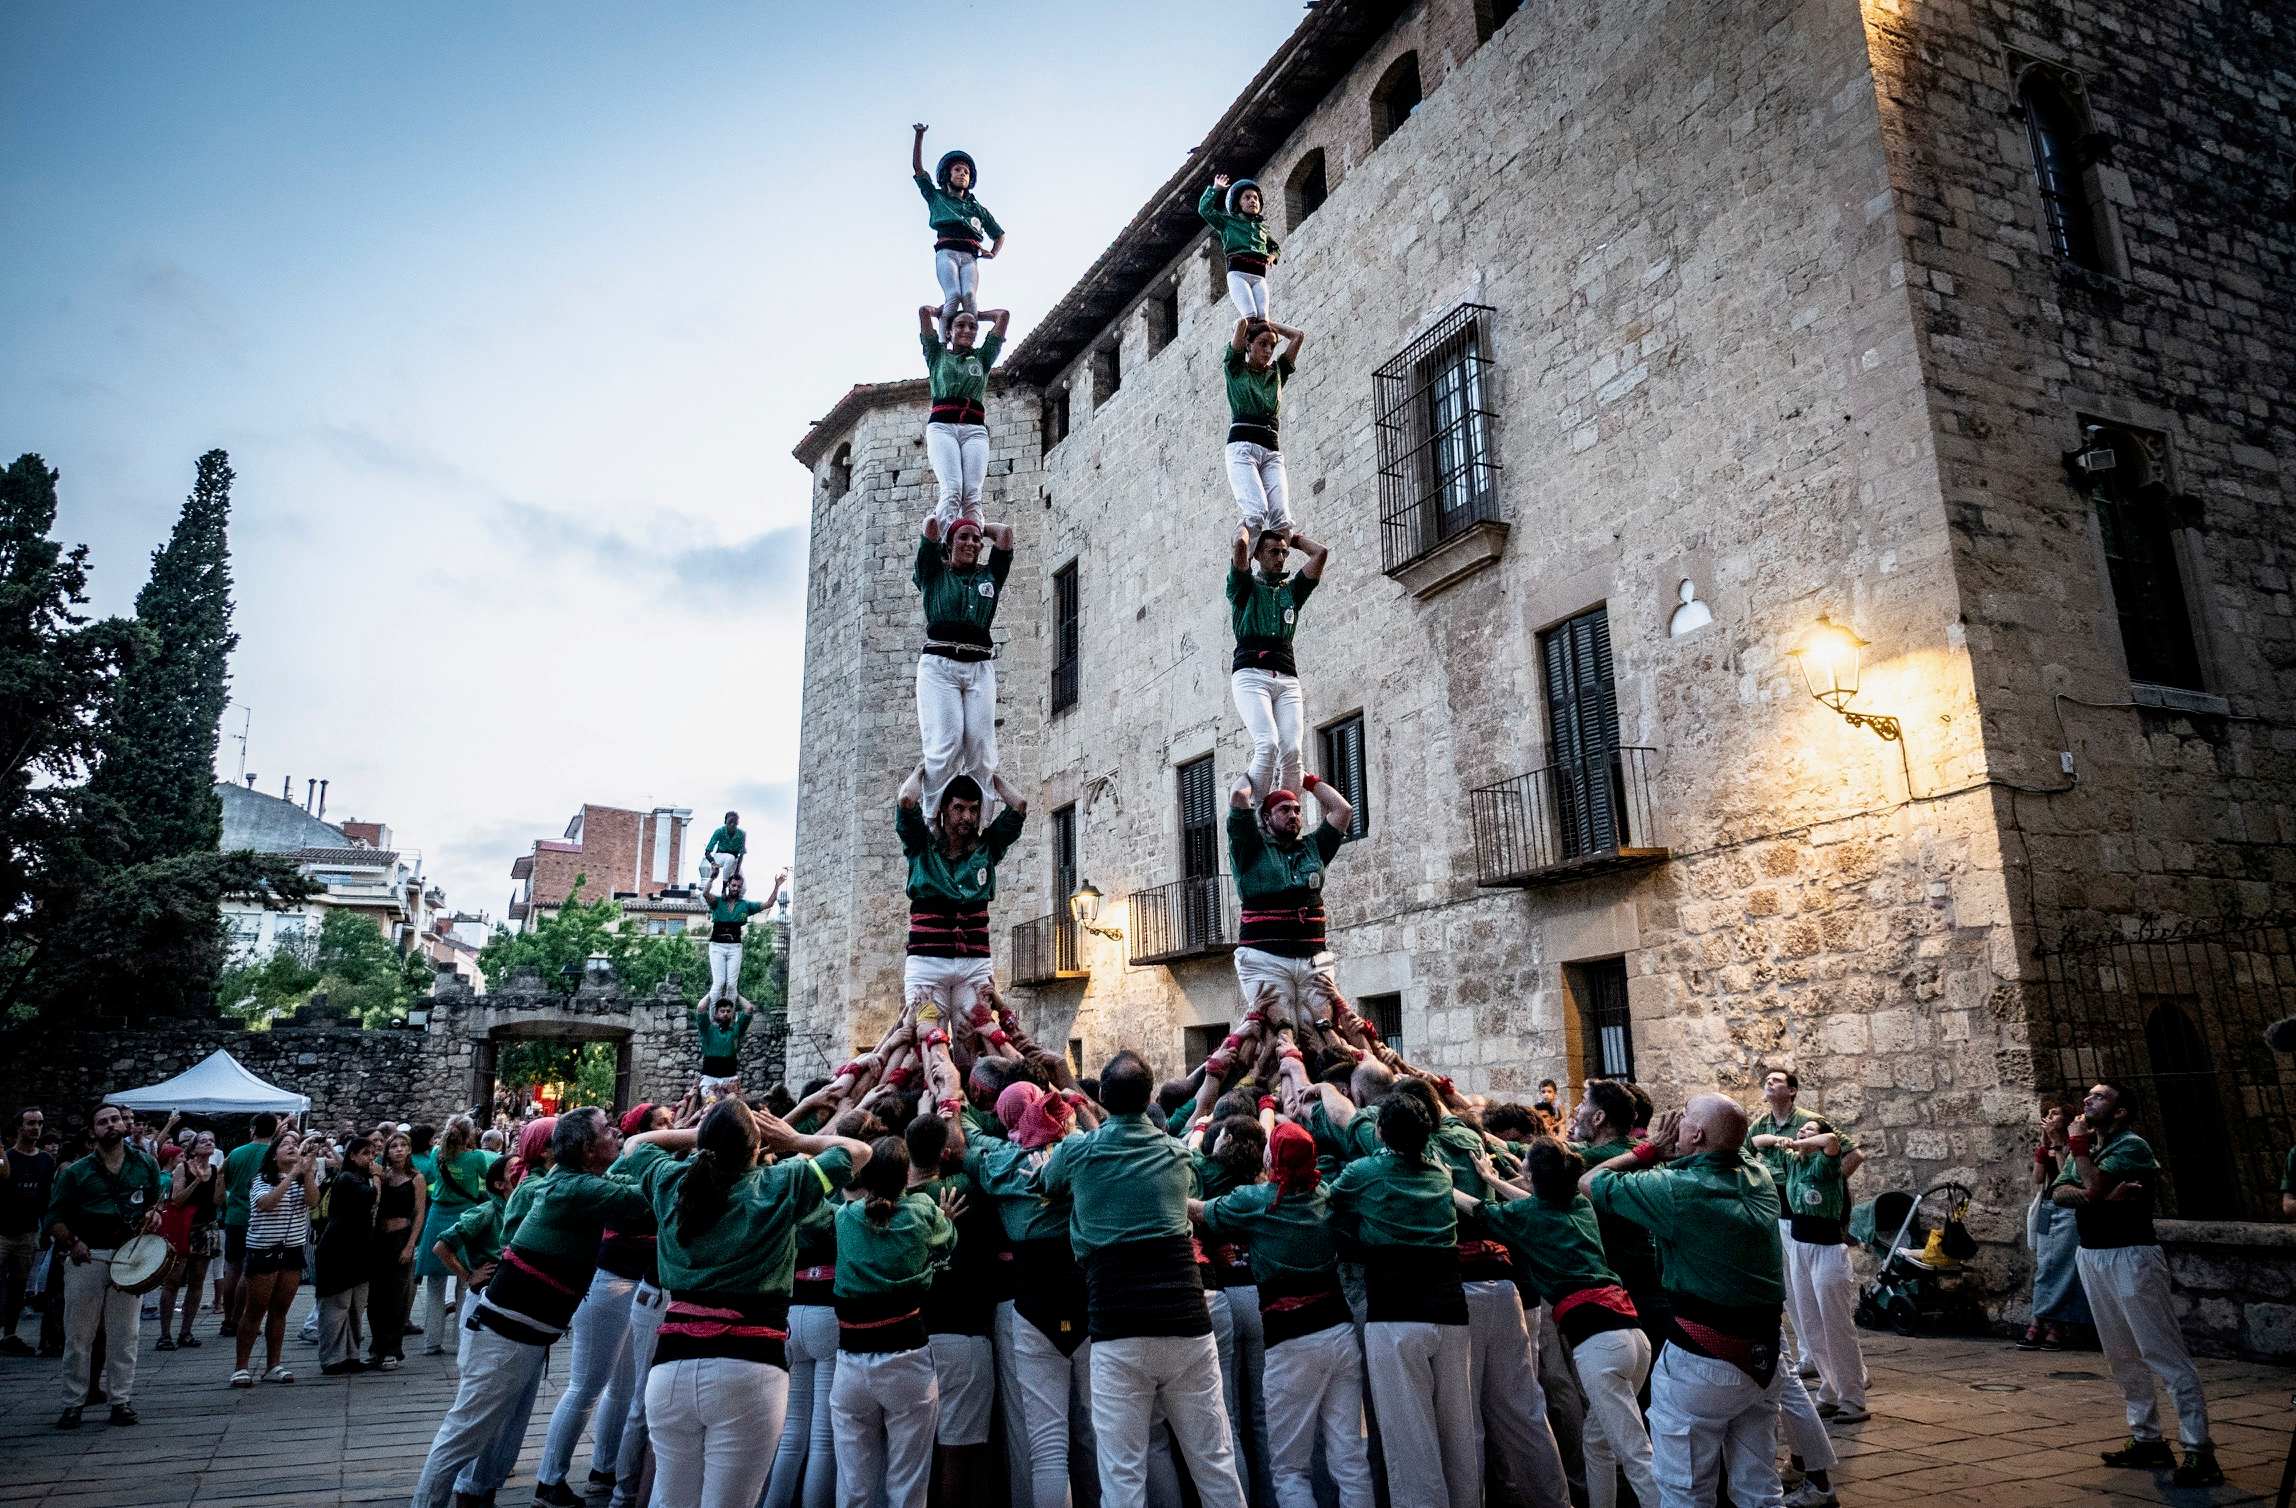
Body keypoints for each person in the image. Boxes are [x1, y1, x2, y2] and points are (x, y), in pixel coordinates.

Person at [408, 1108, 667, 1508]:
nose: (614, 1133)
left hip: (521, 1330)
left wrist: (645, 1145)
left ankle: (475, 1496)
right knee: (465, 1433)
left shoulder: (580, 1182)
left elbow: (628, 1183)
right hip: (506, 1331)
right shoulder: (576, 1188)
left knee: (497, 1429)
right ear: (586, 1148)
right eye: (605, 1130)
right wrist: (648, 1141)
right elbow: (644, 1195)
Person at [629, 1097, 870, 1508]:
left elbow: (636, 1145)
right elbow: (859, 1152)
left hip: (670, 1365)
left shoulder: (671, 1182)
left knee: (671, 1499)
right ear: (757, 1148)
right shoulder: (783, 1183)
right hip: (749, 1366)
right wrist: (790, 1137)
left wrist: (706, 1135)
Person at [1040, 1051, 1247, 1508]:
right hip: (1186, 1321)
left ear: (1105, 1100)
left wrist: (1073, 1102)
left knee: (1123, 1476)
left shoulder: (1079, 1151)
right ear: (1148, 1096)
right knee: (1214, 1463)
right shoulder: (1175, 1154)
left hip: (1118, 1326)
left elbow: (1049, 1181)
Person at [1582, 1095, 1792, 1508]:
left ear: (1695, 1134)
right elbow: (1731, 1146)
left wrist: (1646, 1150)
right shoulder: (1759, 1175)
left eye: (1683, 1117)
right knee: (1759, 1487)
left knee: (1684, 1488)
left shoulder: (1677, 1190)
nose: (1674, 1122)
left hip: (1702, 1356)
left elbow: (1590, 1182)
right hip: (1766, 1352)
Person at [1195, 1115, 1376, 1508]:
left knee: (1290, 1469)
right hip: (1339, 1333)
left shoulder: (1258, 1202)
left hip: (1289, 1340)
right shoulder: (1327, 1195)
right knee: (1350, 1458)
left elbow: (1204, 1212)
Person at [1470, 1137, 1658, 1508]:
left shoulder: (1533, 1215)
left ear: (1532, 1175)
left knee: (1636, 1452)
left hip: (1599, 1344)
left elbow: (1479, 1211)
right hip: (1633, 1338)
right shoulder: (1581, 1205)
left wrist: (1446, 1183)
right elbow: (1531, 1206)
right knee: (1598, 1441)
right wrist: (1493, 1180)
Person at [2054, 1080, 2221, 1488]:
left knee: (2161, 1351)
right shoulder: (2092, 1150)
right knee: (2120, 1353)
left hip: (2132, 1255)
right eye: (2089, 1095)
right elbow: (2059, 1193)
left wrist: (2086, 1172)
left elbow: (2087, 1187)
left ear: (2121, 1111)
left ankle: (2199, 1449)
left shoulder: (2131, 1146)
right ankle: (2147, 1437)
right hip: (2092, 1254)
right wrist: (2103, 1196)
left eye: (2100, 1096)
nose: (2088, 1100)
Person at [1325, 1078, 1476, 1508]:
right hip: (1450, 1308)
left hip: (1395, 1312)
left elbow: (1329, 1208)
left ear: (1380, 1133)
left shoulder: (1364, 1172)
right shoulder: (1440, 1174)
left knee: (1409, 1438)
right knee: (1457, 1429)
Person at [533, 1105, 668, 1508]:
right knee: (585, 1386)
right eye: (659, 1126)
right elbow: (645, 1200)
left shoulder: (602, 1172)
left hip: (632, 1282)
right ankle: (548, 1479)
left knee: (622, 1387)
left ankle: (603, 1468)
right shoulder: (609, 1176)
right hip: (610, 1281)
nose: (615, 1134)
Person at [830, 1135, 958, 1508]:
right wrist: (945, 1218)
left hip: (852, 1357)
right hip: (907, 1356)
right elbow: (947, 1241)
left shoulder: (845, 1217)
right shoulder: (922, 1212)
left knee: (854, 1485)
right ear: (907, 1176)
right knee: (908, 1482)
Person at [44, 1102, 163, 1427]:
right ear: (92, 1130)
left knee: (125, 1334)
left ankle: (120, 1400)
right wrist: (73, 1242)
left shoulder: (145, 1165)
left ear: (124, 1126)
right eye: (103, 1121)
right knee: (79, 1334)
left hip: (130, 1255)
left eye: (115, 1119)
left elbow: (156, 1202)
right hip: (88, 1254)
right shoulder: (76, 1172)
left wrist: (154, 1214)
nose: (111, 1125)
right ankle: (73, 1403)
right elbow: (54, 1217)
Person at [904, 1113, 997, 1508]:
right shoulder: (963, 1188)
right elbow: (972, 1151)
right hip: (964, 1332)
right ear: (947, 1151)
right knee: (962, 1452)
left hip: (915, 1338)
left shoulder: (897, 1203)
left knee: (913, 1455)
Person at [897, 767, 1027, 1018]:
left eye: (973, 809)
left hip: (974, 965)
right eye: (959, 808)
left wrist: (989, 775)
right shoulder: (920, 847)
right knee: (925, 1039)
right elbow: (906, 800)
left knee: (974, 1041)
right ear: (944, 809)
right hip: (927, 963)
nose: (967, 817)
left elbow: (1019, 804)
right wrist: (924, 768)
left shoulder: (988, 849)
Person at [1226, 773, 1354, 1025]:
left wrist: (1307, 780)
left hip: (1313, 960)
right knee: (1279, 1030)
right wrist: (1257, 769)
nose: (1293, 815)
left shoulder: (1313, 848)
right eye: (1284, 810)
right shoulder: (1251, 849)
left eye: (1297, 810)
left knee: (1325, 1029)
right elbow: (1239, 796)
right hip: (1265, 959)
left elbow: (1343, 810)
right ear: (1266, 817)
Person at [1763, 1115, 1867, 1422]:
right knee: (1810, 1324)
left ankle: (1852, 1398)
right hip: (1800, 1248)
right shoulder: (1793, 1162)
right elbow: (1755, 1142)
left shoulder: (1826, 1163)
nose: (1802, 1132)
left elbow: (1832, 1142)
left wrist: (1801, 1141)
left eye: (1809, 1129)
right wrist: (1784, 1142)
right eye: (1800, 1130)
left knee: (1836, 1325)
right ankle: (1830, 1390)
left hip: (1827, 1249)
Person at [912, 516, 1015, 817]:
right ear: (949, 543)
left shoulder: (990, 576)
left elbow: (1005, 534)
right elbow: (930, 526)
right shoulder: (934, 573)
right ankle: (932, 817)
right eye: (963, 538)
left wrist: (975, 524)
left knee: (982, 748)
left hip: (978, 664)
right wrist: (953, 522)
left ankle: (981, 821)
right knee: (946, 742)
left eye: (976, 540)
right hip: (940, 664)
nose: (971, 543)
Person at [1228, 525, 1327, 804]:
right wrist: (1249, 528)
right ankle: (1261, 816)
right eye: (1273, 551)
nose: (1281, 557)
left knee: (1293, 750)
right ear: (1258, 554)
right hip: (1251, 674)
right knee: (1268, 743)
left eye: (1284, 553)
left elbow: (1320, 553)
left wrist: (1292, 538)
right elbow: (1239, 548)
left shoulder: (1291, 592)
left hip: (1286, 676)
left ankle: (1287, 818)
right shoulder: (1244, 587)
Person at [233, 1128, 321, 1387]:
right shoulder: (262, 1179)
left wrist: (306, 1174)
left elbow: (313, 1201)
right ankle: (241, 1366)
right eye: (286, 1144)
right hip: (265, 1249)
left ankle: (274, 1363)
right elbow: (266, 1204)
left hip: (292, 1249)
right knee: (255, 1309)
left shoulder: (302, 1177)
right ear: (274, 1155)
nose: (293, 1146)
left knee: (280, 1310)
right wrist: (293, 1174)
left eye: (295, 1143)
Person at [1748, 1067, 1819, 1381]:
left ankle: (1821, 1354)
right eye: (1767, 1080)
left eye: (1776, 1080)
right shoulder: (1761, 1123)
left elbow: (1840, 1153)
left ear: (1791, 1090)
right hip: (1770, 1202)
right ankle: (1807, 1352)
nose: (1769, 1083)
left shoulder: (1807, 1121)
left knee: (1806, 1286)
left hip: (1797, 1205)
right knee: (1788, 1288)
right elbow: (1744, 1149)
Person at [918, 305, 1013, 531]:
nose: (967, 330)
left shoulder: (982, 357)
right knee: (952, 490)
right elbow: (923, 312)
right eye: (960, 325)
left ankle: (972, 542)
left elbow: (1003, 316)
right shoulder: (936, 354)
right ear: (948, 331)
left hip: (975, 430)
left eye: (973, 327)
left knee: (972, 494)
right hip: (943, 427)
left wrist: (975, 312)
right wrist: (942, 311)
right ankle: (941, 543)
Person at [912, 124, 1006, 340]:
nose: (962, 174)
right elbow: (918, 169)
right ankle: (945, 341)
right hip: (947, 252)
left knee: (970, 297)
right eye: (957, 170)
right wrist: (919, 136)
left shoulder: (976, 208)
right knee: (953, 295)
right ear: (948, 174)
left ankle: (969, 343)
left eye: (966, 172)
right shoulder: (937, 197)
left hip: (970, 256)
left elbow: (998, 234)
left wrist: (993, 252)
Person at [1222, 319, 1306, 535]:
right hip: (1243, 448)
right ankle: (1240, 566)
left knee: (1282, 518)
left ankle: (1273, 567)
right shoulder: (1235, 368)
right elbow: (1240, 325)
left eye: (1272, 345)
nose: (1268, 350)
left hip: (1270, 450)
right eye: (1262, 344)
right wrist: (1252, 319)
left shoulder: (1277, 373)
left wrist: (1269, 324)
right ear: (1248, 344)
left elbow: (1298, 336)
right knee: (1255, 513)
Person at [2020, 1096, 2091, 1349]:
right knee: (2045, 1264)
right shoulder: (2047, 1144)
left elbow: (2066, 1178)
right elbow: (2038, 1178)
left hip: (2067, 1209)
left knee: (2059, 1265)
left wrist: (2060, 1145)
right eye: (2047, 1113)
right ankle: (2047, 1321)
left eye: (2055, 1113)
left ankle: (2044, 1321)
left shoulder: (2075, 1145)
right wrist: (2043, 1145)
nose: (2049, 1117)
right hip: (2048, 1208)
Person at [414, 1114, 487, 1357]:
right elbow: (487, 1178)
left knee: (435, 1283)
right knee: (465, 1281)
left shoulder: (437, 1154)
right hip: (464, 1218)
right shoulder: (476, 1157)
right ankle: (460, 1339)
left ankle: (432, 1341)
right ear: (469, 1135)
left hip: (437, 1217)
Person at [316, 1133, 378, 1376]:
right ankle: (333, 1357)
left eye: (373, 1154)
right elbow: (372, 1197)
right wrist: (376, 1178)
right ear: (352, 1156)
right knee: (337, 1304)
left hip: (359, 1247)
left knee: (355, 1305)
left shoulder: (356, 1177)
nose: (371, 1158)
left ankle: (351, 1354)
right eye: (365, 1154)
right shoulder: (348, 1179)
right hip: (340, 1247)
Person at [156, 1128, 222, 1350]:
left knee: (197, 1281)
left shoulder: (215, 1170)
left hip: (206, 1229)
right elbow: (176, 1200)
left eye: (211, 1140)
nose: (208, 1143)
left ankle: (186, 1331)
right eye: (203, 1141)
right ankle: (165, 1334)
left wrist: (220, 1182)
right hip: (184, 1229)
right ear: (192, 1148)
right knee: (173, 1280)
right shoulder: (182, 1169)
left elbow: (217, 1201)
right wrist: (198, 1182)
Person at [215, 1111, 278, 1338]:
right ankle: (247, 1318)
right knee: (252, 1272)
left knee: (232, 1268)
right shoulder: (273, 1155)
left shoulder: (236, 1153)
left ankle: (228, 1319)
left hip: (235, 1216)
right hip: (261, 1218)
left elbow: (224, 1178)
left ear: (252, 1129)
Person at [369, 1130, 425, 1371]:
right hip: (379, 1238)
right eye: (394, 1146)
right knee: (375, 1297)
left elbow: (419, 1213)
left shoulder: (416, 1178)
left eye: (403, 1145)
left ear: (409, 1150)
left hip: (401, 1236)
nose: (399, 1149)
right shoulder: (381, 1175)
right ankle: (377, 1345)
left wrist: (411, 1243)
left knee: (396, 1295)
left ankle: (392, 1347)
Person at [1, 1107, 56, 1356]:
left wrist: (46, 1229)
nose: (35, 1128)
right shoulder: (6, 1158)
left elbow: (46, 1197)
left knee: (18, 1285)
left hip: (27, 1231)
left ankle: (10, 1334)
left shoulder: (45, 1160)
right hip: (2, 1230)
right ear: (19, 1127)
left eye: (39, 1123)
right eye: (31, 1123)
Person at [702, 865, 787, 1019]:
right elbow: (705, 893)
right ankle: (713, 1020)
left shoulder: (744, 905)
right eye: (733, 885)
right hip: (717, 945)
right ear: (728, 885)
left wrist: (777, 885)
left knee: (731, 985)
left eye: (738, 886)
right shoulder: (718, 902)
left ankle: (730, 1019)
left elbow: (768, 904)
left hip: (735, 946)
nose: (735, 888)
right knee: (719, 983)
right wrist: (712, 878)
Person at [1198, 173, 1279, 320]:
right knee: (1250, 314)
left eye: (1255, 198)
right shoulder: (1227, 223)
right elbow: (1205, 210)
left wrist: (1272, 256)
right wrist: (1215, 189)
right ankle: (1239, 336)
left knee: (1263, 317)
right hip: (1238, 274)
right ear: (1238, 203)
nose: (1252, 201)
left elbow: (1274, 246)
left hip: (1259, 276)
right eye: (1247, 198)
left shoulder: (1262, 229)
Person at [693, 995, 757, 1102]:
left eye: (728, 1011)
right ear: (716, 1013)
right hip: (709, 1078)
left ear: (732, 1014)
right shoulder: (707, 1029)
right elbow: (700, 1008)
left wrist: (736, 995)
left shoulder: (737, 1029)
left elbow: (749, 1009)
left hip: (730, 1079)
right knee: (711, 1103)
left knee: (731, 1106)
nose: (725, 1014)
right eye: (722, 1011)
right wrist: (713, 992)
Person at [700, 808, 747, 888]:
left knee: (742, 887)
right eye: (730, 822)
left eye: (734, 823)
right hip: (719, 857)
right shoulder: (719, 831)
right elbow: (707, 852)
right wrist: (713, 863)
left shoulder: (742, 834)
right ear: (725, 822)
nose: (732, 825)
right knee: (729, 858)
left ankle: (731, 895)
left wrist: (736, 871)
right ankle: (724, 888)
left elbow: (741, 854)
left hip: (734, 861)